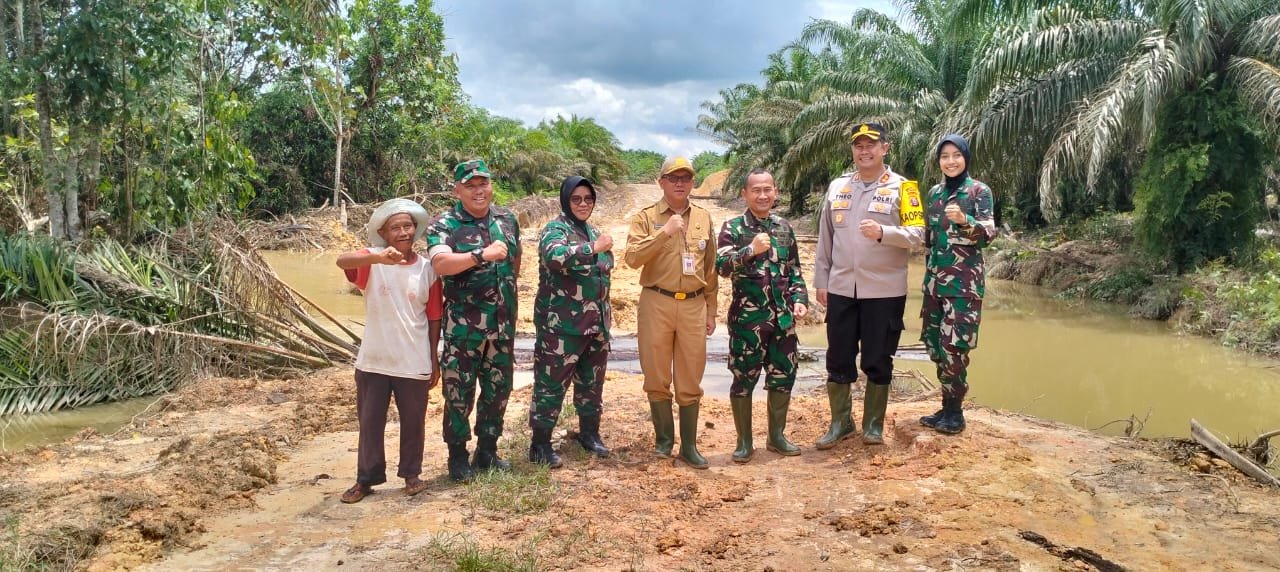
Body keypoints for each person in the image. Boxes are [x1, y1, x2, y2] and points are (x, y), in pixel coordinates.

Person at [813, 122, 924, 447]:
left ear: (885, 148)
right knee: (838, 357)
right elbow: (825, 239)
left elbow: (918, 236)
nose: (864, 151)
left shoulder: (906, 189)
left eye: (871, 145)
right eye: (858, 146)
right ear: (853, 150)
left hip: (884, 291)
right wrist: (822, 281)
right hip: (842, 287)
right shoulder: (838, 187)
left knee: (877, 358)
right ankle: (841, 423)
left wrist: (884, 233)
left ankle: (873, 426)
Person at [335, 198, 442, 503]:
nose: (403, 232)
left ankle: (411, 475)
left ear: (416, 229)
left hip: (413, 359)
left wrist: (433, 359)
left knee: (413, 421)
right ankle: (365, 479)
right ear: (383, 232)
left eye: (408, 225)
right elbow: (342, 261)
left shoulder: (427, 270)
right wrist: (377, 258)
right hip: (374, 360)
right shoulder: (371, 262)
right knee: (370, 423)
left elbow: (434, 317)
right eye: (395, 227)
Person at [426, 159, 522, 481]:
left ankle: (488, 451)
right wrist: (480, 255)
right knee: (458, 393)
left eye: (483, 183)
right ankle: (457, 457)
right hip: (463, 330)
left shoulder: (507, 219)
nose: (478, 190)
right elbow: (440, 263)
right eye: (470, 185)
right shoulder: (444, 224)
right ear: (458, 190)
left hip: (502, 326)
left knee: (498, 390)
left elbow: (515, 260)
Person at [625, 155, 719, 469]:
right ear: (661, 182)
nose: (680, 183)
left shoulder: (704, 218)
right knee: (656, 375)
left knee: (690, 376)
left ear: (692, 182)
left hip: (693, 304)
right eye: (673, 178)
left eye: (686, 178)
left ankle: (689, 447)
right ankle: (664, 442)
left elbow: (711, 268)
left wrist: (711, 310)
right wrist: (664, 232)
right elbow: (632, 258)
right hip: (656, 302)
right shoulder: (645, 217)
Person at [715, 169, 809, 463]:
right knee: (744, 377)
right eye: (756, 190)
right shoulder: (733, 227)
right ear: (745, 194)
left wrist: (800, 299)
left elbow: (794, 270)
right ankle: (744, 442)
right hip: (747, 320)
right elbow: (721, 266)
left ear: (776, 192)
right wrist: (750, 250)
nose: (763, 195)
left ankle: (776, 437)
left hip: (782, 320)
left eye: (768, 189)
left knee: (783, 375)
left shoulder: (784, 227)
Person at [528, 176, 615, 468]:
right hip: (562, 327)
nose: (582, 204)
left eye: (588, 199)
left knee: (592, 384)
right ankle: (540, 444)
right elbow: (555, 257)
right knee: (550, 386)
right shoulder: (555, 230)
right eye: (576, 199)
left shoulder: (593, 230)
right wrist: (593, 248)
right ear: (566, 200)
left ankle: (589, 434)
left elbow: (605, 271)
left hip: (596, 326)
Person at [919, 134, 996, 435]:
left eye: (956, 155)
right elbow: (926, 238)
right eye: (944, 156)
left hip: (964, 286)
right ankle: (946, 405)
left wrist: (966, 220)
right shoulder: (935, 194)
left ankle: (955, 411)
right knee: (935, 344)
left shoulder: (978, 191)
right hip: (934, 284)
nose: (950, 161)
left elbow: (988, 236)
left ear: (965, 157)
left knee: (955, 347)